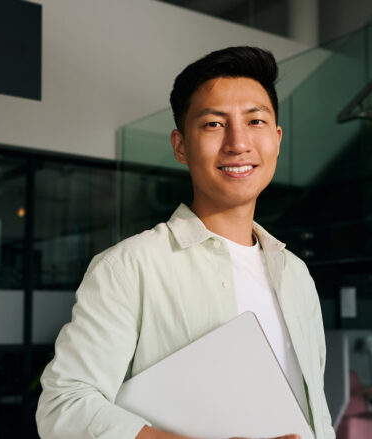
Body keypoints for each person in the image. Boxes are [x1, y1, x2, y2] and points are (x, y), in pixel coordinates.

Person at [36, 46, 336, 439]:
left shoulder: (295, 272)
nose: (238, 142)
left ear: (277, 139)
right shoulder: (130, 267)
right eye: (214, 124)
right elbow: (64, 407)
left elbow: (317, 413)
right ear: (180, 146)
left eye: (256, 121)